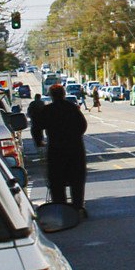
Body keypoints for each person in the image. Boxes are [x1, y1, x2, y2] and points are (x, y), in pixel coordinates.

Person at [42, 84, 90, 216]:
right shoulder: (72, 108)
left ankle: (61, 208)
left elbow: (37, 126)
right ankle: (77, 207)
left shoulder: (47, 110)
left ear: (51, 96)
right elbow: (82, 125)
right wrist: (74, 136)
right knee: (77, 180)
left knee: (56, 180)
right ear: (63, 94)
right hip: (75, 149)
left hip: (55, 150)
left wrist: (39, 140)